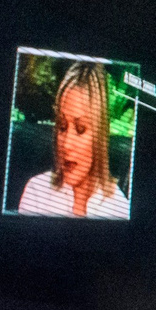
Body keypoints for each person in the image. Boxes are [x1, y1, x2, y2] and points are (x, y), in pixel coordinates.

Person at [16, 58, 130, 219]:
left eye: (80, 129)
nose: (66, 144)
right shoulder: (36, 192)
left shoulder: (119, 210)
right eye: (62, 127)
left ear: (100, 136)